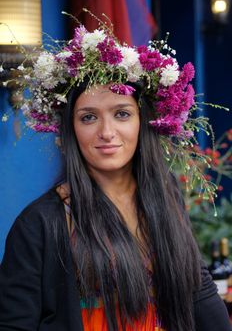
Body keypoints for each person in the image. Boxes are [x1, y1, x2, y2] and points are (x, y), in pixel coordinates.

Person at [0, 22, 231, 331]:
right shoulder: (41, 224)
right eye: (88, 117)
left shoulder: (165, 196)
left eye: (122, 113)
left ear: (142, 122)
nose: (106, 132)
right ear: (71, 129)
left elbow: (197, 288)